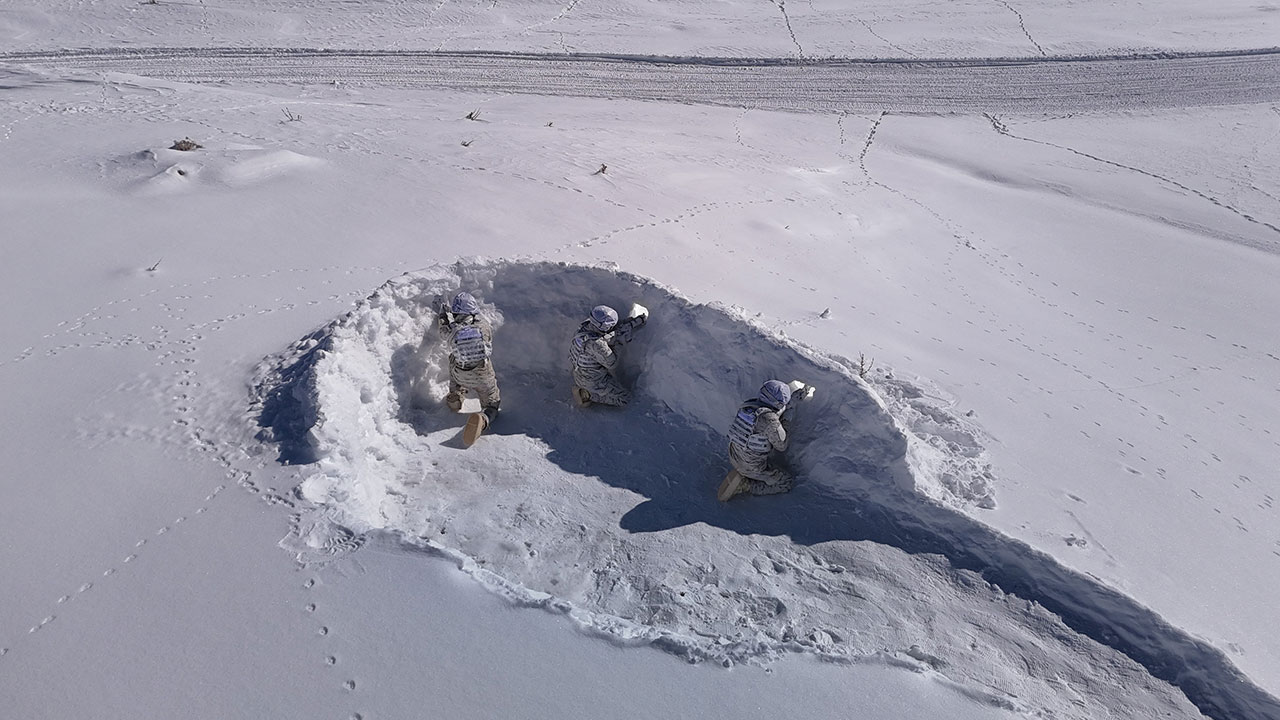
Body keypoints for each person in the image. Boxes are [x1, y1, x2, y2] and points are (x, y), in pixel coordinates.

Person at [722, 380, 796, 498]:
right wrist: (787, 419)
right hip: (751, 466)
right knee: (786, 482)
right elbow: (782, 445)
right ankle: (746, 485)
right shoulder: (769, 420)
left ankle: (744, 472)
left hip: (734, 455)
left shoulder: (747, 406)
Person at [438, 291, 500, 424]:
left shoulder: (453, 330)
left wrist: (443, 315)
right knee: (492, 402)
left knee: (452, 358)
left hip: (461, 374)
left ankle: (456, 395)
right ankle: (484, 419)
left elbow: (443, 330)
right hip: (482, 375)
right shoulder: (484, 326)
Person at [569, 304, 636, 407]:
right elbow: (612, 363)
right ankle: (587, 394)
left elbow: (605, 335)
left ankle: (586, 389)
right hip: (593, 381)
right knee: (625, 399)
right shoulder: (597, 344)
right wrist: (618, 343)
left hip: (579, 373)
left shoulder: (584, 327)